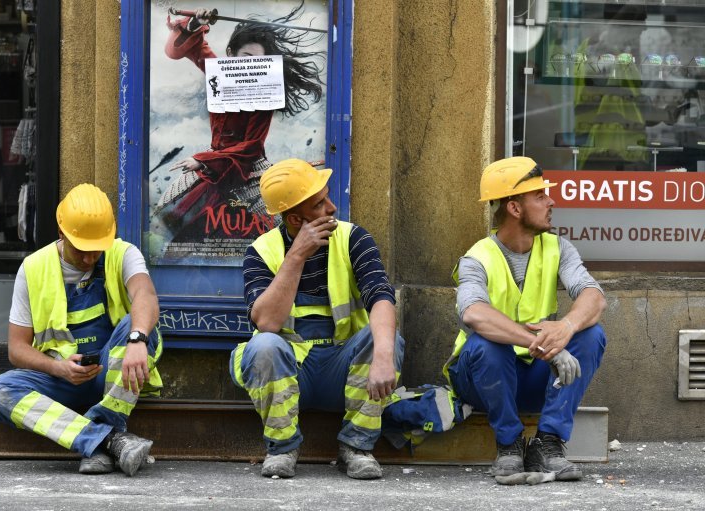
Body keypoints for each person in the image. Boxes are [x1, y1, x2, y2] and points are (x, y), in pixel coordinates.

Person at [230, 158, 405, 480]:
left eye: (327, 197)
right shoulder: (262, 250)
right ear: (296, 219)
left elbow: (381, 296)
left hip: (343, 368)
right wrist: (297, 255)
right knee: (264, 345)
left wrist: (383, 355)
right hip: (292, 372)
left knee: (384, 337)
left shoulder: (354, 238)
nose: (332, 207)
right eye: (320, 203)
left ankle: (357, 448)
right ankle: (281, 449)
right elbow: (266, 322)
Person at [443, 156, 607, 481]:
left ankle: (548, 444)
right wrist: (543, 343)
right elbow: (474, 313)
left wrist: (566, 328)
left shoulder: (557, 248)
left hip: (533, 377)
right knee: (487, 346)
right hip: (481, 381)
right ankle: (508, 444)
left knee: (591, 334)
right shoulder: (476, 258)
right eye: (540, 196)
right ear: (515, 208)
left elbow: (594, 297)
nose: (551, 202)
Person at [0, 183, 163, 476]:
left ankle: (99, 433)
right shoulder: (33, 268)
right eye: (81, 250)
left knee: (141, 326)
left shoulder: (123, 253)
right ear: (61, 233)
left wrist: (136, 339)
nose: (88, 259)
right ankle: (108, 441)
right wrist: (58, 369)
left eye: (96, 251)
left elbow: (146, 296)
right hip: (61, 380)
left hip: (113, 377)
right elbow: (16, 349)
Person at [156, 4, 324, 241]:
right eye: (246, 57)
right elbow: (177, 51)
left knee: (273, 227)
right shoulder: (219, 73)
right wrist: (194, 24)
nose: (251, 66)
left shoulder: (266, 93)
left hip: (246, 167)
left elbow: (252, 146)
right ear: (231, 54)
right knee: (168, 215)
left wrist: (202, 160)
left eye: (258, 61)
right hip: (212, 164)